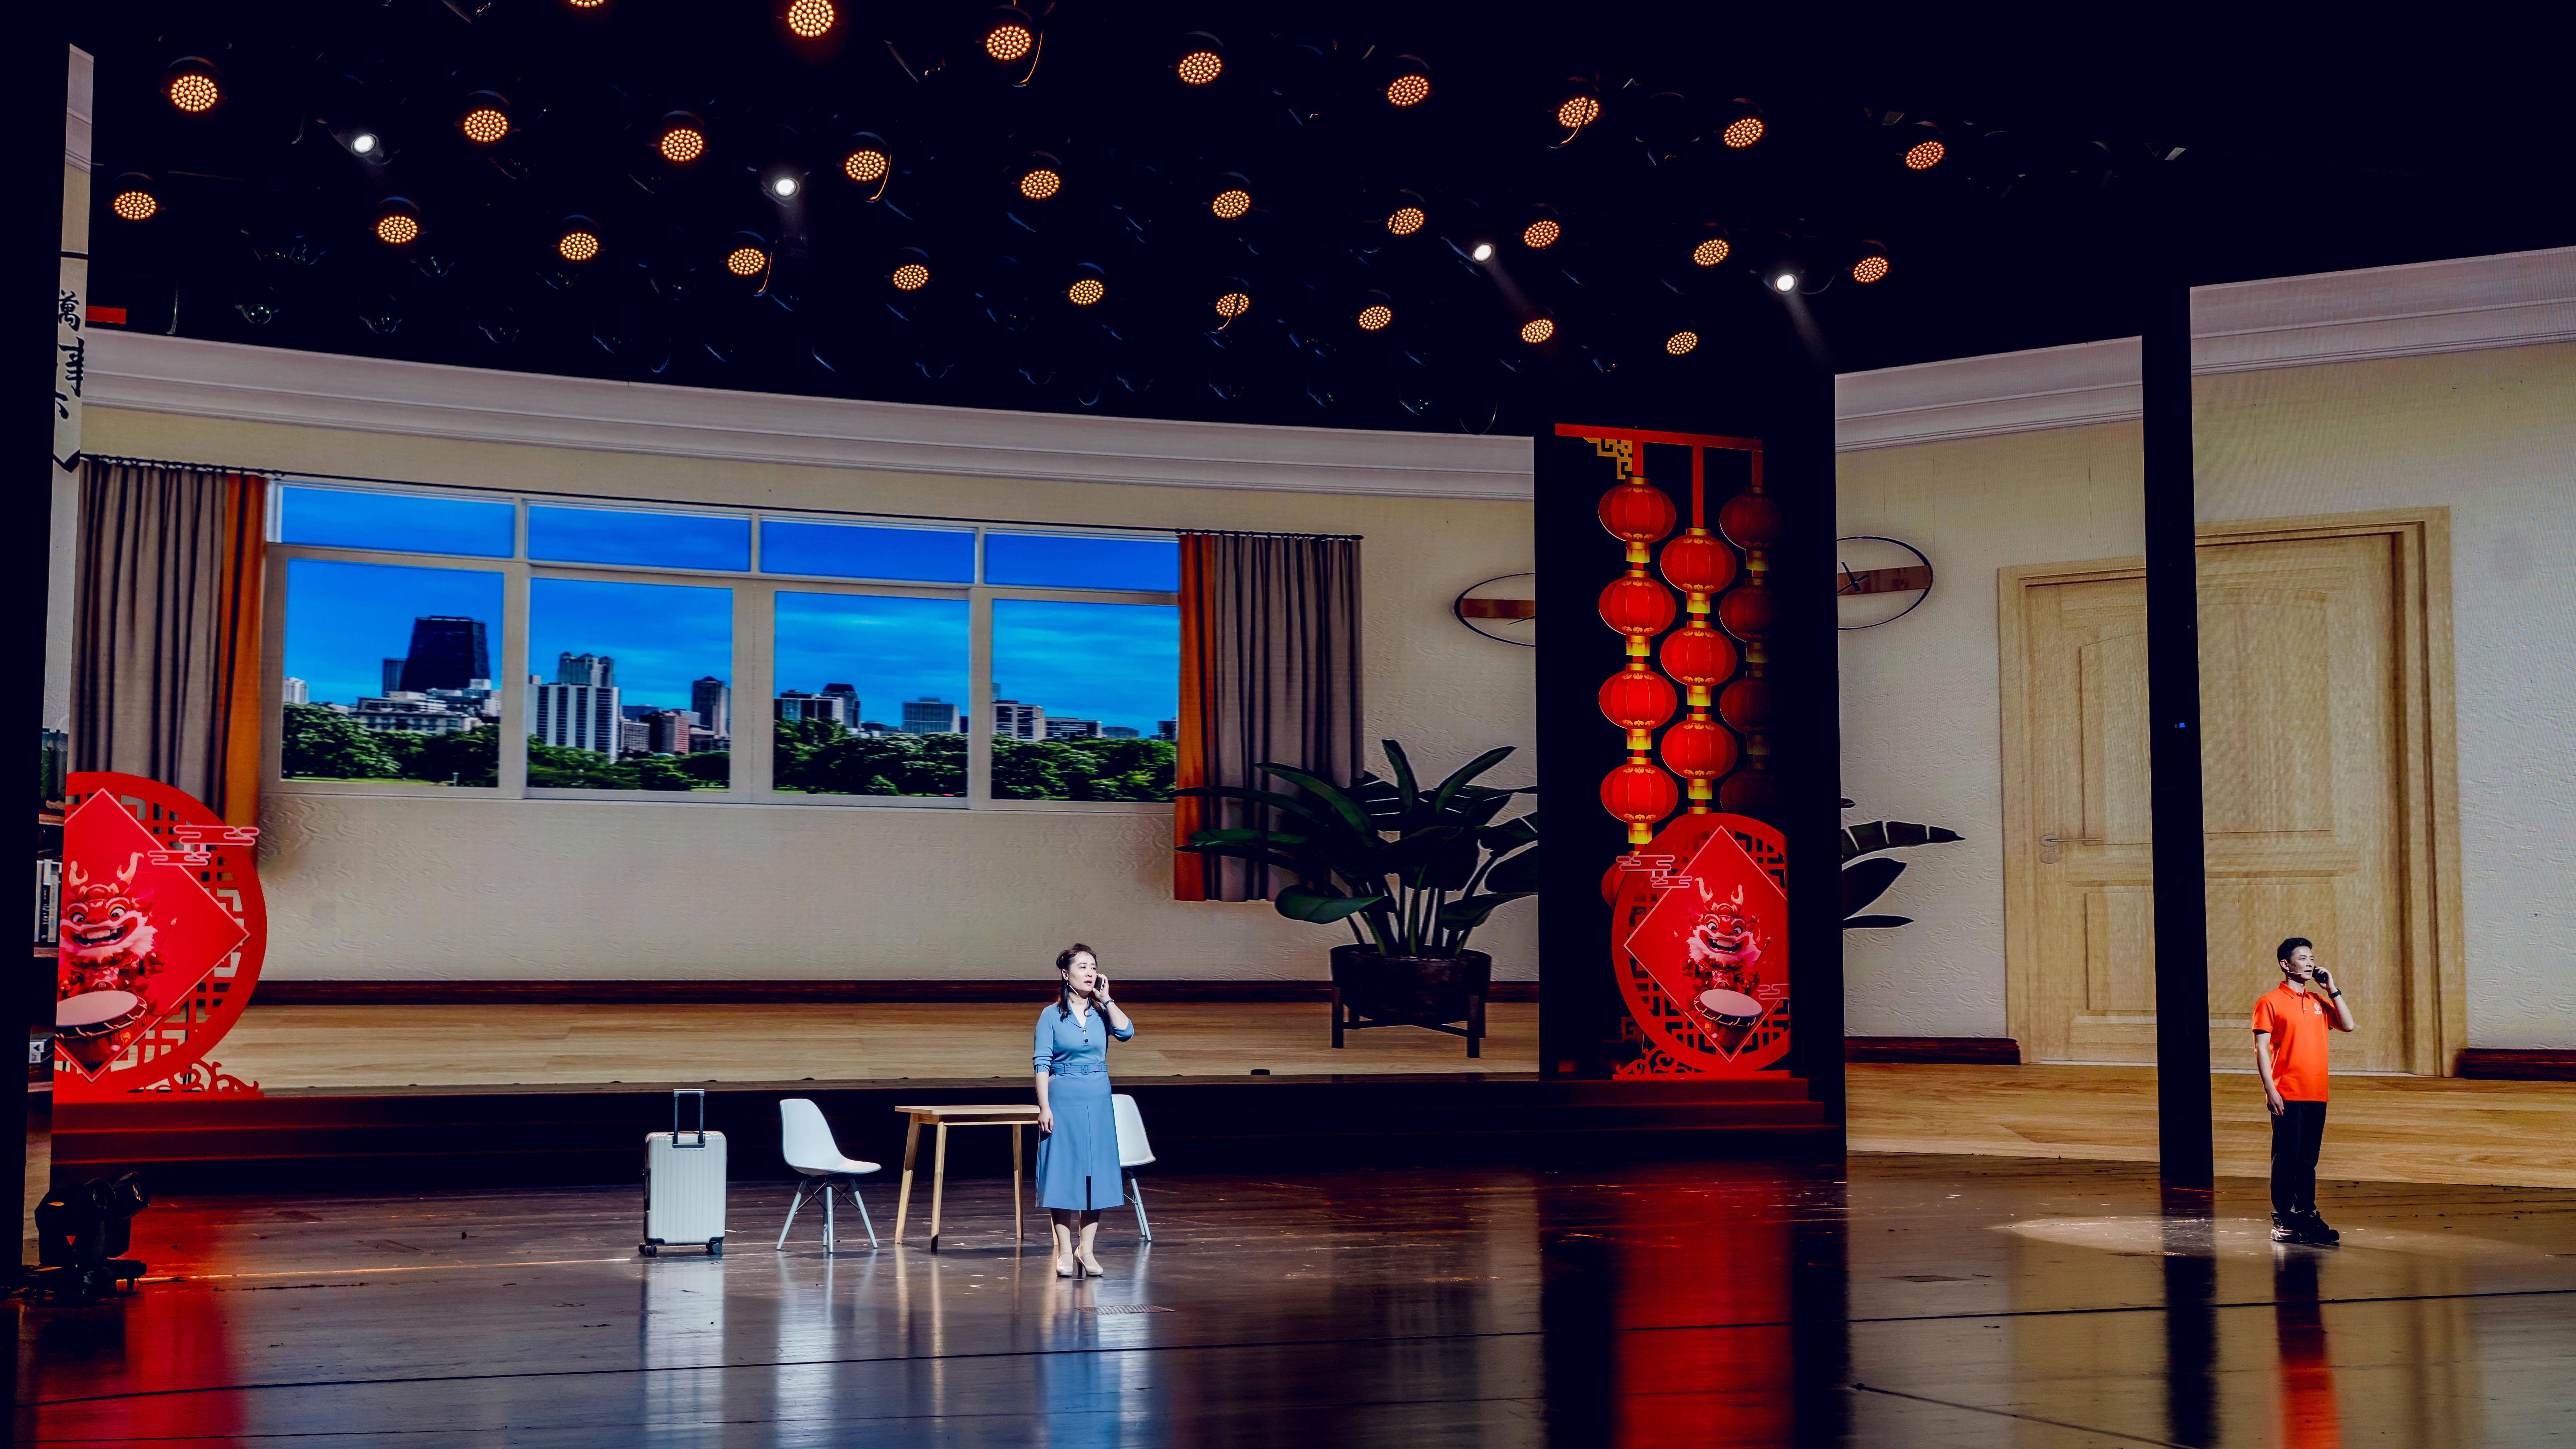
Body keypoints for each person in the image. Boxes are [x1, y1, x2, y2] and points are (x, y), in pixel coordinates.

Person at [1033, 943, 1134, 1278]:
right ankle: (1065, 1250)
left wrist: (1108, 1000)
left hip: (1097, 1097)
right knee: (1063, 1172)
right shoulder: (1051, 1015)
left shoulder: (1102, 1013)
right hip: (1064, 1097)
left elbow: (1126, 1032)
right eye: (1082, 967)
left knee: (1096, 1173)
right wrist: (1044, 1107)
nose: (1090, 973)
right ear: (1066, 974)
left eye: (1093, 967)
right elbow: (1041, 1063)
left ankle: (1086, 1250)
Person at [2253, 937, 2356, 1245]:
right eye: (2303, 958)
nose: (2310, 963)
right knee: (2287, 1158)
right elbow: (2260, 1048)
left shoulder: (2318, 1001)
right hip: (2288, 1092)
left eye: (2312, 958)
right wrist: (2271, 1089)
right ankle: (2283, 1219)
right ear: (2286, 964)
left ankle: (2306, 1215)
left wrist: (2332, 988)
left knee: (2308, 1160)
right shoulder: (2269, 1001)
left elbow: (2348, 1025)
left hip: (2317, 1092)